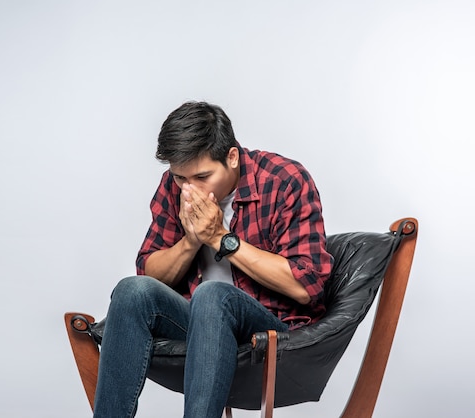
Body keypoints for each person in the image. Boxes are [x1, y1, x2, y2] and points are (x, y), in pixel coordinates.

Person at [93, 101, 333, 418]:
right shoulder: (174, 186)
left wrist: (220, 237)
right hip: (201, 328)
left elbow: (306, 285)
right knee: (131, 290)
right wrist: (192, 240)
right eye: (180, 178)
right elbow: (150, 274)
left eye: (202, 176)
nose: (189, 188)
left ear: (231, 157)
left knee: (213, 295)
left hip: (273, 333)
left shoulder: (284, 180)